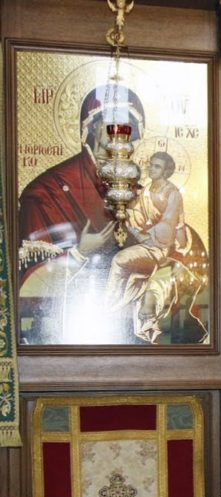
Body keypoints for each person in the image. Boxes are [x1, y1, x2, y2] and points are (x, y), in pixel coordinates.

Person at [17, 84, 145, 344]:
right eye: (111, 123)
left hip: (129, 327)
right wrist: (79, 253)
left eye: (127, 126)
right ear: (92, 127)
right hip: (64, 331)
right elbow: (28, 285)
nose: (119, 133)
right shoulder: (46, 191)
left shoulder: (139, 191)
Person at [105, 151, 189, 342]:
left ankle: (111, 307)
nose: (151, 168)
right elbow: (135, 216)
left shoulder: (172, 194)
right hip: (144, 243)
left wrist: (146, 235)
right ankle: (117, 308)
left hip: (159, 248)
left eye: (157, 166)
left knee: (120, 260)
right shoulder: (145, 191)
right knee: (120, 259)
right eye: (151, 164)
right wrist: (124, 213)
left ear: (166, 171)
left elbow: (168, 223)